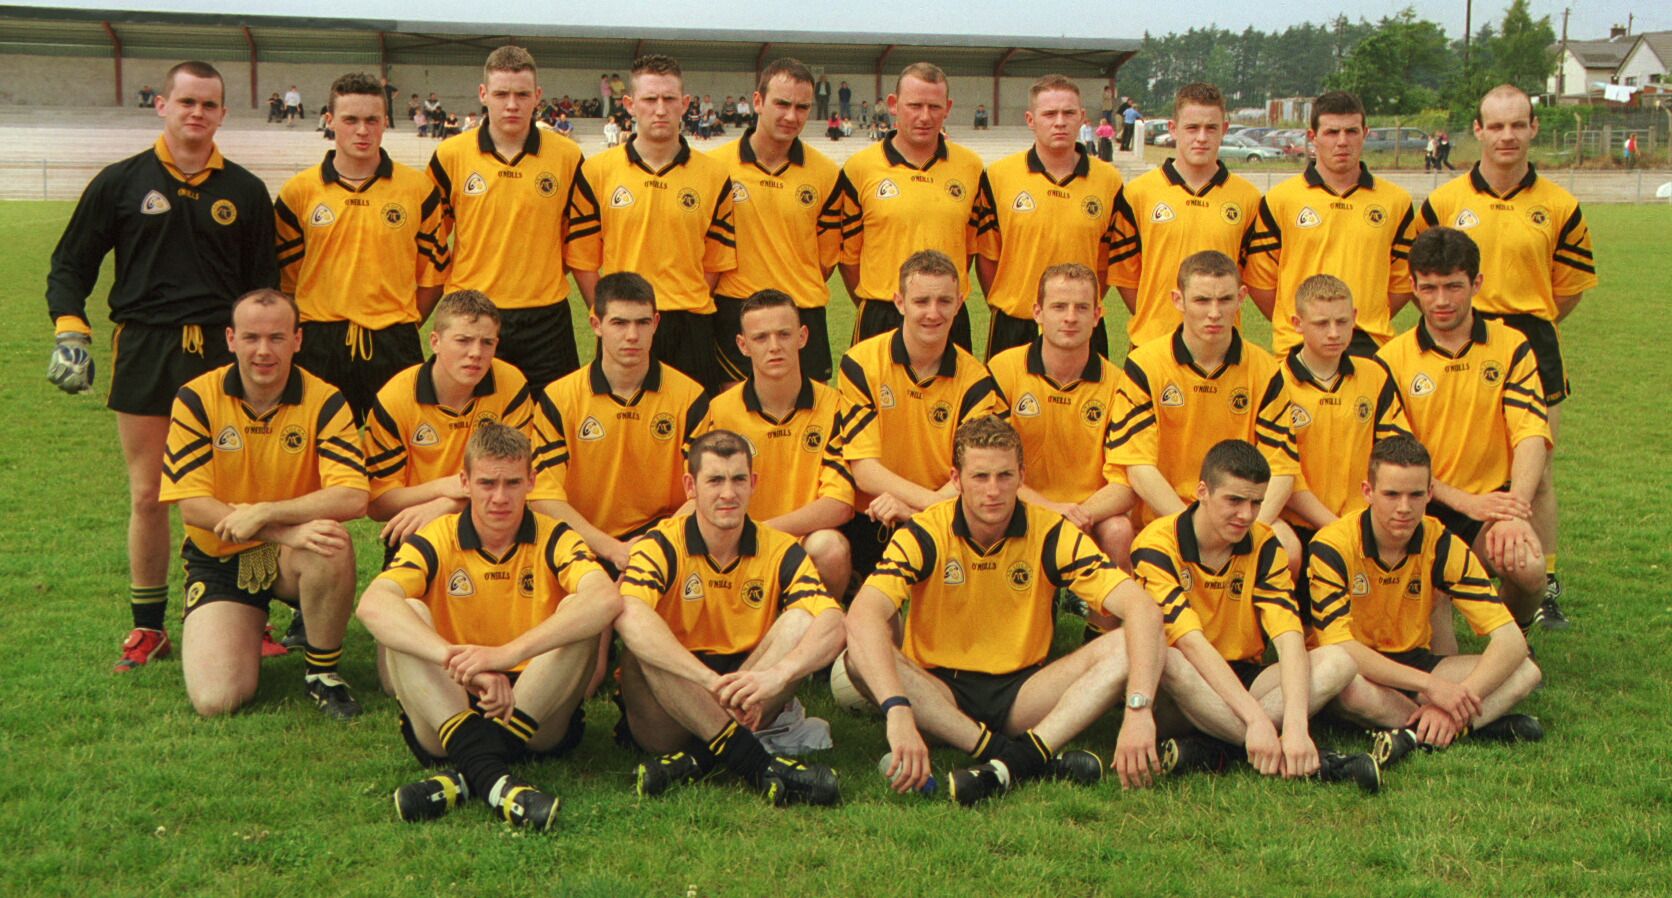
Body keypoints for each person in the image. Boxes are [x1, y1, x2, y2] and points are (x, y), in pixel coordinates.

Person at [45, 60, 279, 672]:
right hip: (146, 347)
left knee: (242, 491)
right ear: (162, 105)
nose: (197, 113)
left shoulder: (247, 190)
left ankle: (251, 615)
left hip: (226, 353)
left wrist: (264, 349)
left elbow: (265, 285)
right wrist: (70, 328)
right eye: (187, 101)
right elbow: (70, 264)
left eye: (209, 104)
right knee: (150, 494)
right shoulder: (121, 182)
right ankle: (148, 627)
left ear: (223, 114)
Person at [842, 415, 1170, 804]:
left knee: (1128, 644)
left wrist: (1138, 712)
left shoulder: (1050, 531)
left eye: (1005, 476)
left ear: (1021, 477)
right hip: (938, 694)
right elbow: (862, 615)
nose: (993, 490)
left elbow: (1143, 609)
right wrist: (898, 712)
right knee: (857, 658)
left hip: (1023, 695)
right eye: (980, 477)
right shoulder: (925, 530)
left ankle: (1011, 761)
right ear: (956, 479)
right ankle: (1021, 757)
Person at [359, 423, 621, 829]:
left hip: (537, 708)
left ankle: (470, 773)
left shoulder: (556, 536)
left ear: (531, 481)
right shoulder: (437, 536)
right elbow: (372, 605)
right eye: (486, 483)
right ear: (464, 482)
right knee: (405, 611)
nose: (500, 497)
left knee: (580, 608)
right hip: (450, 700)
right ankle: (496, 780)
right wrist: (463, 663)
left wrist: (505, 655)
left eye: (512, 483)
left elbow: (605, 598)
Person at [1415, 84, 1598, 629]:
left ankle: (1543, 584)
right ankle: (1443, 573)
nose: (1507, 136)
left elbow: (1567, 290)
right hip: (1458, 334)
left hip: (1531, 340)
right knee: (1452, 460)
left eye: (1518, 124)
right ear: (1477, 130)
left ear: (1534, 128)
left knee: (1535, 474)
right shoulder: (1445, 201)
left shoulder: (1560, 205)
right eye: (1496, 126)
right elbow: (1423, 273)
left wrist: (1526, 322)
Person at [157, 289, 368, 719]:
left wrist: (267, 511)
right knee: (216, 700)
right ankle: (241, 625)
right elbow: (193, 506)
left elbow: (353, 495)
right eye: (252, 337)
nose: (263, 351)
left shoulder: (325, 399)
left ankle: (322, 673)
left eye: (277, 337)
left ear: (297, 340)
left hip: (288, 556)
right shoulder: (196, 398)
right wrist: (281, 529)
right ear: (231, 339)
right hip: (220, 558)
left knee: (330, 543)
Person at [1133, 440, 1381, 791]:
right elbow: (1191, 644)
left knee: (1339, 661)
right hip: (1179, 689)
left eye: (1256, 503)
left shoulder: (1264, 543)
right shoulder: (1156, 544)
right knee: (1172, 660)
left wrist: (1296, 725)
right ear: (1202, 492)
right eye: (1234, 501)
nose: (1246, 515)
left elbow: (1289, 638)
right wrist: (1255, 720)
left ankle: (1219, 750)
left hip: (1244, 674)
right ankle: (1311, 761)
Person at [613, 430, 845, 805]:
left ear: (753, 483)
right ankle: (757, 764)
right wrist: (706, 680)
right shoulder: (660, 544)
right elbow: (627, 616)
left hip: (745, 692)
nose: (728, 493)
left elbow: (834, 623)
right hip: (671, 707)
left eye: (738, 479)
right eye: (715, 480)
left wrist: (778, 675)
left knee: (804, 620)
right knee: (642, 637)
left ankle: (698, 759)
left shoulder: (780, 548)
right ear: (690, 486)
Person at [1314, 435, 1545, 767]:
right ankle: (1469, 726)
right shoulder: (1332, 545)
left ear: (1430, 494)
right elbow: (1342, 647)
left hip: (1415, 661)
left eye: (1415, 495)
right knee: (1349, 689)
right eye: (1391, 494)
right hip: (1360, 668)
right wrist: (1433, 687)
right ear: (1368, 492)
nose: (1404, 507)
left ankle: (1420, 733)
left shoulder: (1441, 543)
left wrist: (1452, 702)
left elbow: (1511, 641)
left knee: (1525, 672)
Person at [1376, 227, 1550, 629]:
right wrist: (1466, 503)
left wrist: (1513, 511)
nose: (1441, 301)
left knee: (1528, 566)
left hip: (1492, 505)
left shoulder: (1512, 346)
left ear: (1476, 283)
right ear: (1413, 287)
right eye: (1429, 288)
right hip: (1419, 505)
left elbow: (1530, 436)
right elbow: (1397, 462)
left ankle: (1514, 633)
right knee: (1430, 625)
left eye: (1453, 286)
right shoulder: (1390, 359)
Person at [1099, 251, 1302, 565]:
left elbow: (1283, 469)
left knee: (1287, 548)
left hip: (1240, 516)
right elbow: (1138, 466)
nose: (1214, 313)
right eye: (1202, 300)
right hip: (1166, 515)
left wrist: (1246, 527)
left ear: (1242, 298)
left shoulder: (1265, 369)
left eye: (1225, 300)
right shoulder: (1144, 365)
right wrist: (1192, 529)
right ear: (1178, 300)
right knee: (1121, 535)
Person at [275, 72, 448, 422]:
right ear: (330, 120)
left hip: (394, 341)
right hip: (318, 342)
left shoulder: (418, 190)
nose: (362, 130)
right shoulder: (298, 193)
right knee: (314, 446)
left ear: (385, 121)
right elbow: (285, 283)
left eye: (372, 120)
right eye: (350, 119)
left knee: (401, 444)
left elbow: (433, 278)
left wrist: (398, 324)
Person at [569, 54, 739, 392]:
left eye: (669, 99)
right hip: (623, 323)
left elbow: (716, 262)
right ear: (630, 104)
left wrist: (683, 299)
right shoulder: (597, 172)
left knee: (694, 423)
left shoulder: (714, 175)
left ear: (685, 104)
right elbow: (583, 260)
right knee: (623, 418)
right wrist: (608, 313)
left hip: (691, 325)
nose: (660, 109)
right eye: (649, 99)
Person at [428, 46, 595, 388]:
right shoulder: (450, 155)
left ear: (537, 96)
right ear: (483, 93)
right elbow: (431, 243)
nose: (512, 104)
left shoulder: (567, 157)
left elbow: (576, 242)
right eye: (501, 94)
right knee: (472, 416)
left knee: (554, 415)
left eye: (522, 94)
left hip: (546, 318)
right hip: (471, 315)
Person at [836, 250, 1005, 585]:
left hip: (944, 517)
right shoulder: (861, 363)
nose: (933, 313)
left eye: (944, 301)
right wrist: (927, 505)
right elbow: (865, 471)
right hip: (875, 513)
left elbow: (975, 470)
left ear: (959, 304)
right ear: (900, 302)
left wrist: (916, 512)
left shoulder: (976, 380)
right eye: (921, 301)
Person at [530, 273, 709, 573]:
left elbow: (704, 492)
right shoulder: (559, 399)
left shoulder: (690, 397)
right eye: (619, 323)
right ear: (596, 324)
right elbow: (543, 498)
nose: (632, 335)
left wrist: (651, 546)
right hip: (583, 541)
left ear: (656, 323)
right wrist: (612, 549)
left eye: (642, 323)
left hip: (664, 541)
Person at [698, 290, 857, 594]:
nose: (774, 347)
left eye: (784, 334)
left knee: (831, 548)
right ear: (743, 345)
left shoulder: (836, 407)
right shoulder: (719, 412)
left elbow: (839, 505)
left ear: (803, 336)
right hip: (736, 543)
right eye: (760, 338)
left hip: (802, 539)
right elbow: (703, 496)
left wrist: (762, 532)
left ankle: (825, 614)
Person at [365, 290, 535, 561]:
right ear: (435, 341)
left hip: (494, 522)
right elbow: (377, 504)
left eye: (487, 342)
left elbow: (517, 480)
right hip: (421, 527)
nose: (476, 353)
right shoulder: (395, 398)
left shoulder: (511, 384)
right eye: (463, 341)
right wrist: (444, 487)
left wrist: (448, 504)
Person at [1244, 90, 1417, 356]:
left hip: (1369, 344)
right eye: (1332, 132)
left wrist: (1359, 322)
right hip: (1298, 344)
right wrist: (1307, 324)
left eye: (1351, 131)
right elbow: (1260, 283)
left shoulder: (1396, 202)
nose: (1342, 141)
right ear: (1313, 137)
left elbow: (1403, 282)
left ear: (1365, 133)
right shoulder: (1280, 200)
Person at [986, 264, 1132, 566]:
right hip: (1019, 503)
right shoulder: (1003, 370)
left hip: (1090, 513)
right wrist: (1050, 509)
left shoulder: (1120, 384)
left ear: (1097, 315)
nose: (1070, 317)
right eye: (1059, 307)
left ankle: (1112, 597)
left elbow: (1126, 483)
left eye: (1082, 308)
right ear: (1038, 312)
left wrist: (1080, 513)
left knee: (1119, 530)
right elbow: (990, 465)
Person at [710, 59, 844, 385]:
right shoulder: (715, 168)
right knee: (734, 412)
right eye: (782, 104)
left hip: (803, 310)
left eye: (802, 107)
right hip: (736, 309)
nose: (791, 116)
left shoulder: (826, 173)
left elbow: (826, 261)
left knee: (811, 411)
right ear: (758, 101)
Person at [834, 62, 984, 349]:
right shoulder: (859, 168)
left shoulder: (971, 168)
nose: (924, 116)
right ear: (893, 104)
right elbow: (849, 257)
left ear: (948, 108)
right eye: (915, 105)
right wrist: (880, 300)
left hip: (947, 313)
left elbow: (968, 248)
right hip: (882, 311)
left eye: (934, 107)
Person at [973, 74, 1123, 359]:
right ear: (1030, 120)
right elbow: (987, 257)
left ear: (1082, 118)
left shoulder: (1109, 181)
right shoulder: (999, 176)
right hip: (1015, 324)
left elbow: (1105, 263)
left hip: (1081, 324)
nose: (1060, 122)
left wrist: (1079, 303)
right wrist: (1010, 303)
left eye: (1069, 113)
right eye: (1049, 114)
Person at [1108, 82, 1262, 348]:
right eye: (1192, 128)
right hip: (1152, 344)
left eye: (1211, 128)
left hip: (1219, 347)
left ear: (1224, 130)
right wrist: (1156, 317)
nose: (1201, 138)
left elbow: (1251, 278)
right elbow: (1126, 276)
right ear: (1173, 128)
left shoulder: (1248, 198)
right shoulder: (1138, 193)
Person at [1278, 275, 1411, 569]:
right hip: (1300, 524)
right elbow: (1281, 471)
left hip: (1364, 523)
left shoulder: (1374, 377)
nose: (1334, 333)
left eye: (1342, 322)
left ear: (1354, 317)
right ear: (1298, 323)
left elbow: (1394, 453)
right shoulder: (1277, 383)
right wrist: (1337, 528)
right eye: (1321, 324)